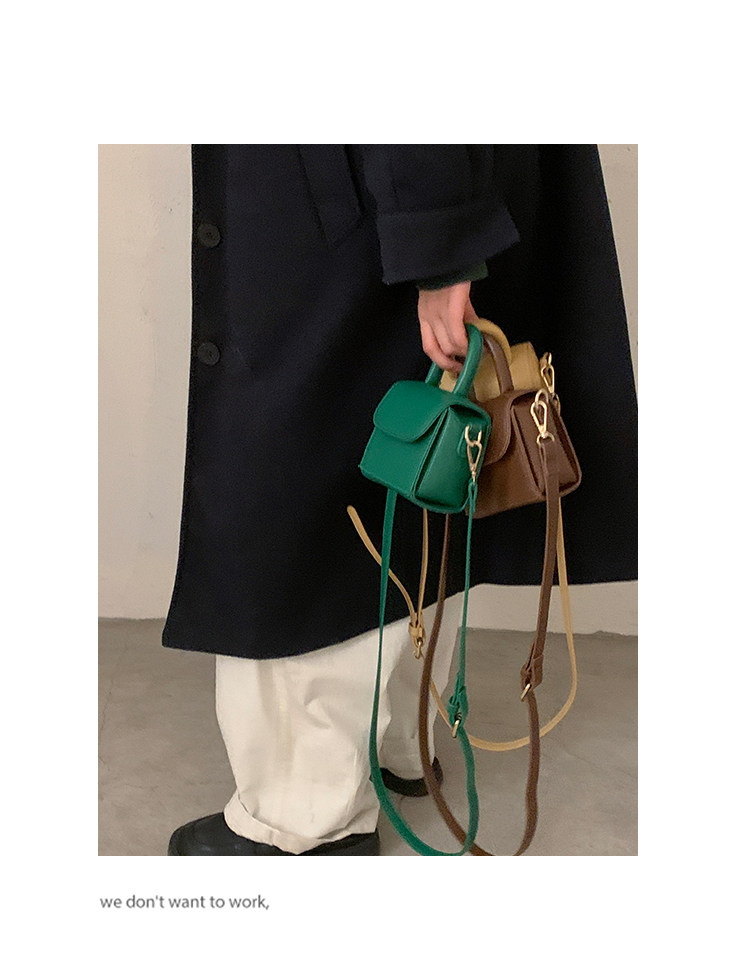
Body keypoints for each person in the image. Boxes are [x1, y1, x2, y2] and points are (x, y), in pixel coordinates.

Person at [163, 145, 638, 856]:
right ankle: (400, 741)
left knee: (304, 499)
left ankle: (304, 816)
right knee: (421, 470)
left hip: (378, 180)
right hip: (411, 179)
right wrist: (443, 231)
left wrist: (440, 245)